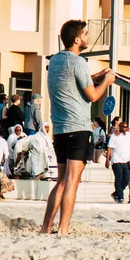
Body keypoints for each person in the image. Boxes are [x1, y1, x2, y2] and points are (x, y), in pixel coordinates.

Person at [40, 19, 115, 235]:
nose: (88, 37)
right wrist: (106, 82)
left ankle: (46, 228)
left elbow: (76, 82)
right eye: (85, 34)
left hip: (61, 130)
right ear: (77, 39)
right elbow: (92, 95)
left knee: (61, 181)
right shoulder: (79, 62)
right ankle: (63, 229)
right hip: (79, 129)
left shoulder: (55, 61)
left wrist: (98, 76)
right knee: (72, 182)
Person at [105, 122, 130, 204]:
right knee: (118, 178)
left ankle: (116, 193)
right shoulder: (114, 136)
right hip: (116, 160)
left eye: (127, 127)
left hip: (126, 160)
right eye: (124, 127)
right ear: (120, 127)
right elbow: (109, 148)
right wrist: (107, 160)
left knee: (127, 179)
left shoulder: (128, 135)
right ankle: (120, 196)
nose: (126, 128)